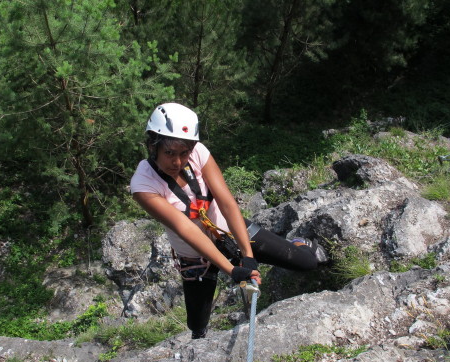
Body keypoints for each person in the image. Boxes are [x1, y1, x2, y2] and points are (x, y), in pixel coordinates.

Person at [130, 103, 326, 339]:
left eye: (184, 153)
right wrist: (232, 270)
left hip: (230, 232)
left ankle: (298, 243)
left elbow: (226, 202)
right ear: (153, 146)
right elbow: (184, 228)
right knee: (198, 328)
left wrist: (248, 257)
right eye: (169, 153)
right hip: (196, 256)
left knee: (307, 262)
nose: (177, 162)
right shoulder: (143, 184)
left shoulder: (199, 153)